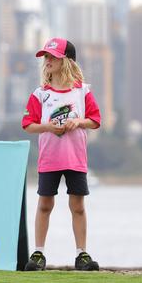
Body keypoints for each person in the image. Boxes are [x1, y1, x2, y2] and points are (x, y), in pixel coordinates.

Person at [21, 38, 101, 271]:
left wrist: (78, 122)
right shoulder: (40, 94)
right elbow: (27, 124)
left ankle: (81, 254)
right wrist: (48, 127)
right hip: (49, 159)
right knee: (45, 204)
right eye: (45, 57)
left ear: (66, 61)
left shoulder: (82, 92)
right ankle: (38, 254)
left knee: (77, 206)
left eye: (52, 56)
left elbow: (95, 120)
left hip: (75, 159)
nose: (47, 61)